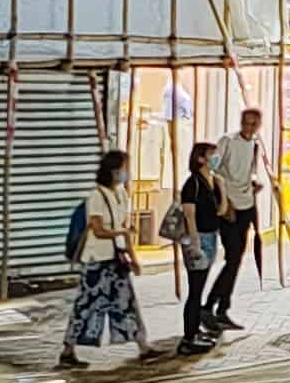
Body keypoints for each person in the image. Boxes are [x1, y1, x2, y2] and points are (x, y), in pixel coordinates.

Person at [58, 150, 154, 370]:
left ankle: (143, 346)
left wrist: (133, 257)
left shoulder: (121, 194)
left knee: (127, 303)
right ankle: (68, 351)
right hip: (96, 260)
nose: (126, 172)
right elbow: (98, 230)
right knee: (85, 306)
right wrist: (122, 232)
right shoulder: (97, 196)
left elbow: (125, 229)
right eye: (124, 168)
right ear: (113, 170)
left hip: (115, 260)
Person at [169, 141, 230, 351]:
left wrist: (222, 187)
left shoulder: (212, 181)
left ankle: (194, 331)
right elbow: (189, 215)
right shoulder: (192, 183)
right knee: (195, 290)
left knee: (200, 287)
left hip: (211, 236)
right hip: (197, 239)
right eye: (212, 154)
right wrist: (195, 243)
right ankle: (188, 339)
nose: (216, 158)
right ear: (200, 158)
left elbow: (221, 211)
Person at [209, 105, 266, 323]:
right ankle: (212, 305)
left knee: (236, 258)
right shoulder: (227, 141)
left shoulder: (255, 144)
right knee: (232, 258)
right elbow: (213, 170)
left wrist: (253, 182)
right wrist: (224, 200)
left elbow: (251, 170)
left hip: (247, 204)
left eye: (254, 124)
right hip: (229, 206)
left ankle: (221, 307)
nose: (250, 127)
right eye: (246, 123)